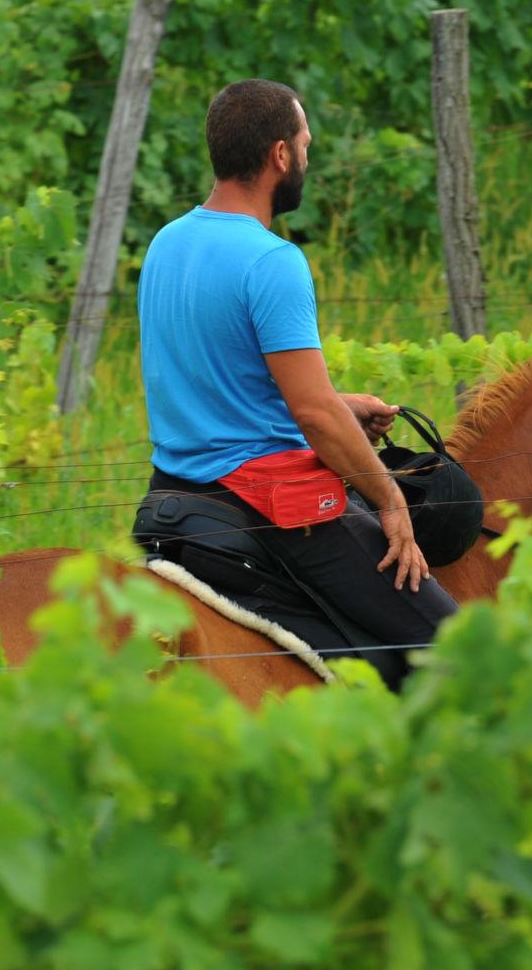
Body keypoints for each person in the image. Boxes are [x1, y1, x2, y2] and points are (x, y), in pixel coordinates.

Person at [131, 79, 458, 690]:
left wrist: (341, 405)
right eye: (305, 143)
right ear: (280, 155)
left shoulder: (166, 244)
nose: (308, 155)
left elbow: (221, 380)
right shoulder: (272, 261)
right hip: (269, 509)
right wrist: (389, 500)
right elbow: (313, 415)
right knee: (458, 648)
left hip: (171, 498)